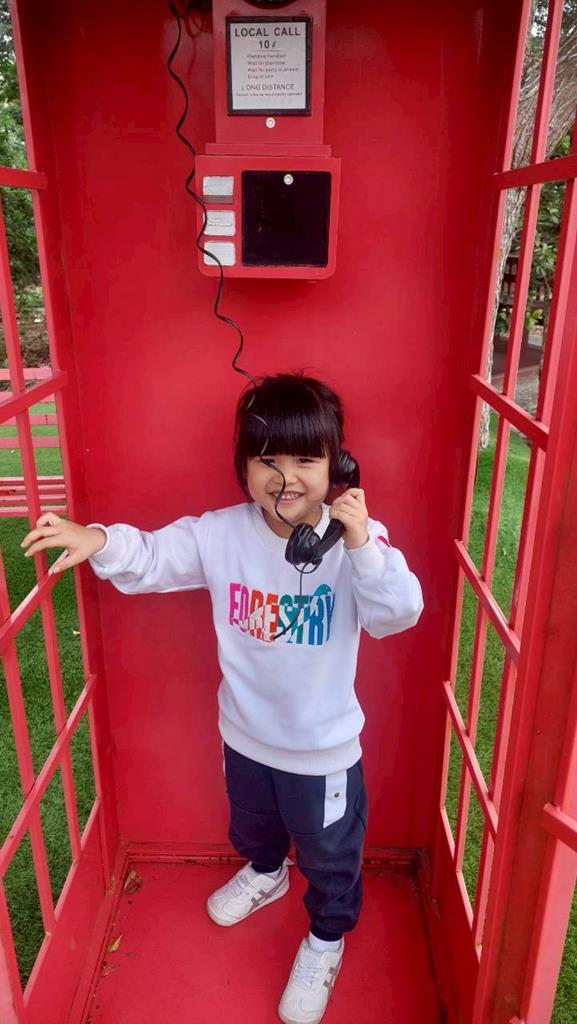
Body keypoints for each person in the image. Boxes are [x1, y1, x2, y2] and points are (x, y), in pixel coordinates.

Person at [20, 372, 423, 1024]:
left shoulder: (357, 543)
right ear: (242, 465)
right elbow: (154, 555)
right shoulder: (221, 534)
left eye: (305, 459)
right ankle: (266, 872)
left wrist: (359, 548)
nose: (285, 478)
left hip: (321, 750)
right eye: (266, 459)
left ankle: (326, 938)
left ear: (337, 467)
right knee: (252, 825)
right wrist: (98, 539)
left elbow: (398, 613)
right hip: (243, 734)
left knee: (329, 856)